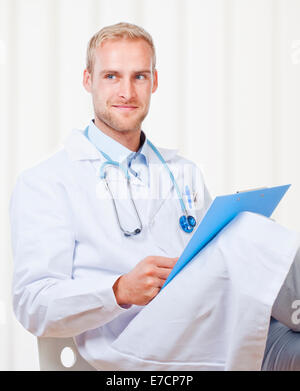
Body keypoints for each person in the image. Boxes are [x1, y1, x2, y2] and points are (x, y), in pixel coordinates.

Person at [9, 22, 300, 371]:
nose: (127, 92)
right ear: (88, 80)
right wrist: (118, 290)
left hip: (223, 331)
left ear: (155, 81)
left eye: (139, 77)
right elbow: (32, 303)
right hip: (137, 345)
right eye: (112, 76)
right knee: (247, 235)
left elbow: (214, 263)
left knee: (242, 232)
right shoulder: (46, 182)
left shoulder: (183, 171)